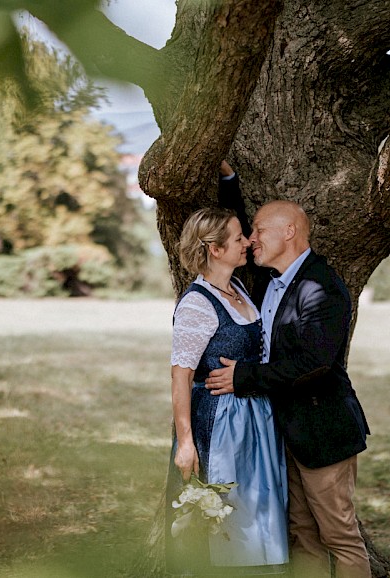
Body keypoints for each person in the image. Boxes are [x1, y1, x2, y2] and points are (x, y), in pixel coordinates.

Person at [207, 171, 373, 578]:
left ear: (291, 231)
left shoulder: (321, 287)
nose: (251, 239)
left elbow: (313, 364)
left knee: (339, 537)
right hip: (286, 433)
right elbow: (239, 228)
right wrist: (228, 181)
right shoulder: (269, 281)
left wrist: (244, 378)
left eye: (260, 231)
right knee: (301, 534)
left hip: (322, 431)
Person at [165, 206, 289, 577]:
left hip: (253, 422)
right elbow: (180, 378)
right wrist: (186, 443)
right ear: (215, 249)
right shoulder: (197, 304)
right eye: (238, 238)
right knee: (224, 513)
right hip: (219, 425)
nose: (247, 242)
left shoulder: (237, 288)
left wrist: (227, 175)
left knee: (257, 511)